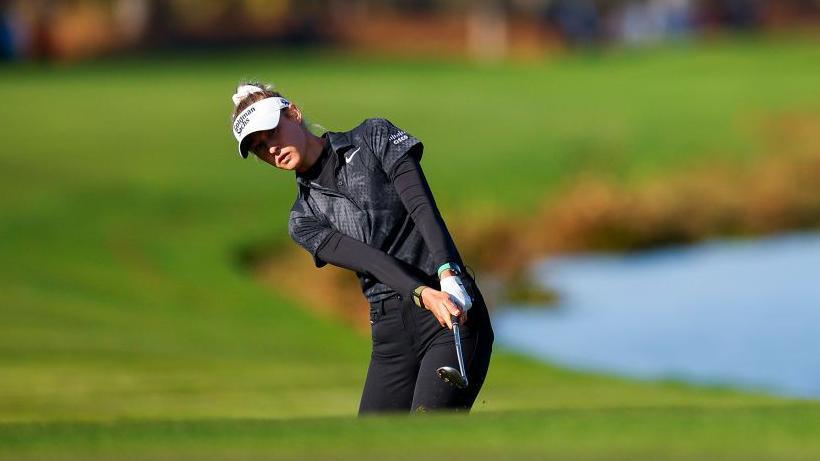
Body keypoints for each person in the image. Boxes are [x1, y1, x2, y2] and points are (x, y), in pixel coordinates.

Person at [229, 82, 494, 414]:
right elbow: (372, 260)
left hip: (450, 310)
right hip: (391, 335)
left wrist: (448, 272)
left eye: (272, 133)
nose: (271, 150)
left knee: (427, 440)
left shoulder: (373, 138)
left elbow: (422, 208)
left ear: (293, 114)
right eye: (259, 148)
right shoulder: (303, 220)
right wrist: (423, 294)